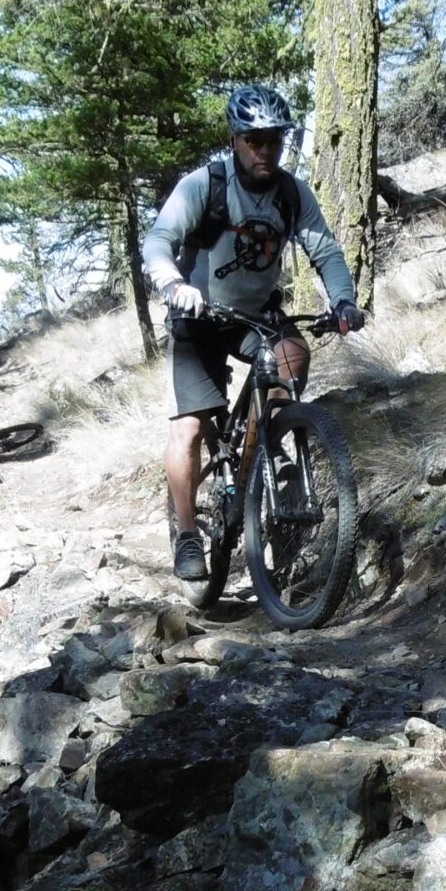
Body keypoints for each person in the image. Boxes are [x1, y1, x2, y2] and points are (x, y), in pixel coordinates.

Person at [143, 83, 365, 584]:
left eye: (274, 140)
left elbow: (325, 252)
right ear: (235, 139)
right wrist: (175, 285)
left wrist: (344, 302)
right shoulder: (207, 185)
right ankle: (185, 535)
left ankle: (260, 457)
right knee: (192, 427)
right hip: (197, 318)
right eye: (254, 140)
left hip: (255, 316)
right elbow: (159, 240)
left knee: (293, 355)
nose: (265, 149)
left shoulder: (291, 193)